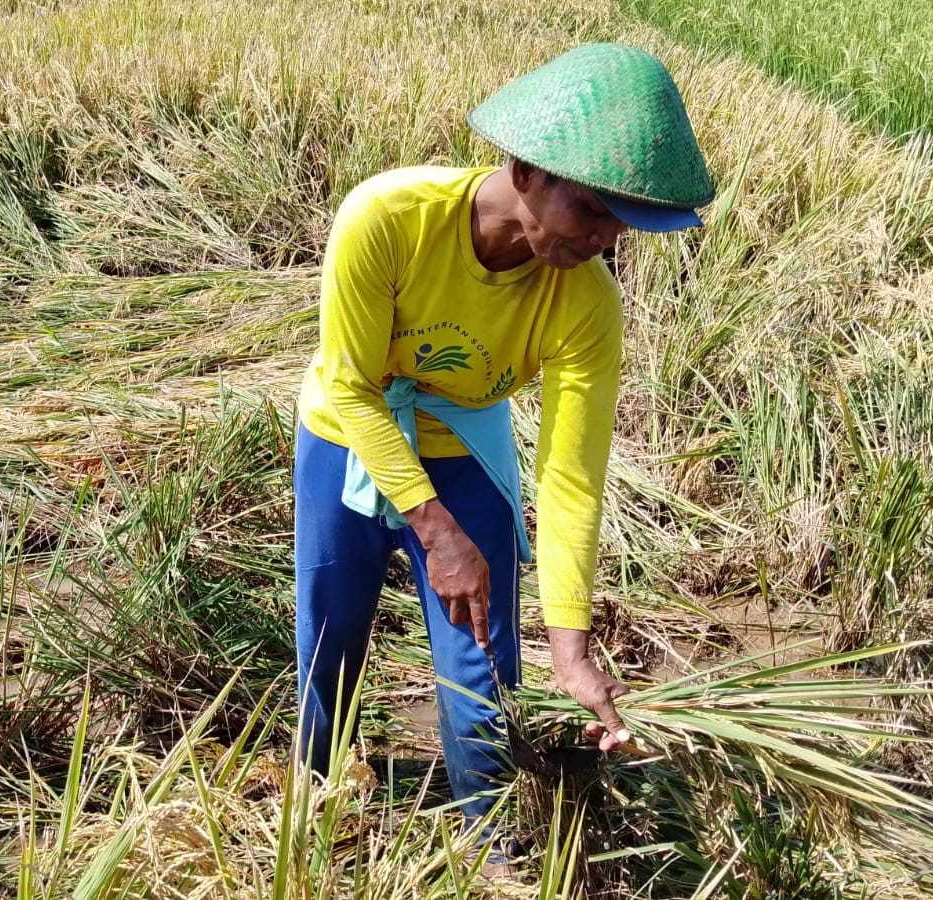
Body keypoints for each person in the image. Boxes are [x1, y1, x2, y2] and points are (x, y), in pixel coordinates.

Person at [291, 42, 714, 861]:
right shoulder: (388, 217)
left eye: (621, 222)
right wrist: (434, 531)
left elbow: (570, 476)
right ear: (525, 172)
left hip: (465, 452)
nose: (606, 240)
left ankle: (496, 850)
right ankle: (314, 805)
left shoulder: (587, 302)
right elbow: (351, 387)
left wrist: (574, 646)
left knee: (483, 671)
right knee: (330, 632)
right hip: (348, 438)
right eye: (593, 211)